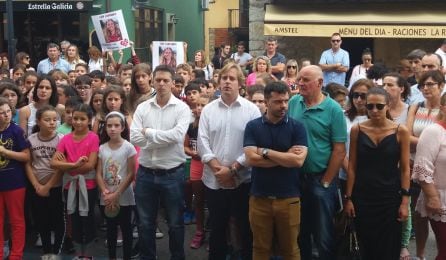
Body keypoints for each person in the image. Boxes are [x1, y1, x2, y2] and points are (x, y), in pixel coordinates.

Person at [197, 63, 261, 260]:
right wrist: (220, 172)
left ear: (240, 83)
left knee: (245, 229)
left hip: (242, 181)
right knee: (217, 229)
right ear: (218, 82)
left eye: (232, 79)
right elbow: (202, 143)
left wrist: (232, 171)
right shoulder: (208, 110)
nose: (227, 82)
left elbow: (255, 145)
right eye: (224, 78)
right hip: (214, 180)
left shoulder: (251, 110)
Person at [130, 64, 190, 259]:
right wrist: (159, 138)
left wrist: (148, 133)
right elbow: (134, 138)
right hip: (146, 173)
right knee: (145, 223)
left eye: (166, 80)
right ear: (152, 81)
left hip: (172, 174)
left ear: (173, 83)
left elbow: (177, 136)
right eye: (158, 80)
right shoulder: (142, 107)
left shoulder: (182, 108)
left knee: (175, 223)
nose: (162, 84)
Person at [288, 65, 347, 260]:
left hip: (321, 179)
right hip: (296, 179)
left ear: (320, 83)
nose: (300, 83)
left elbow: (339, 150)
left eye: (305, 80)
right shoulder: (294, 102)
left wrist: (327, 182)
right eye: (299, 79)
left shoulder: (334, 110)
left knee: (323, 235)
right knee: (300, 231)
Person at [243, 81, 308, 260]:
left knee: (290, 250)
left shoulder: (297, 127)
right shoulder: (253, 126)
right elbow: (250, 159)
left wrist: (264, 151)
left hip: (289, 198)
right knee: (260, 248)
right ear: (266, 101)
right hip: (259, 198)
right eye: (278, 102)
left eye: (286, 101)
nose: (284, 106)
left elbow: (298, 160)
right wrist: (284, 156)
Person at [344, 87, 410, 259]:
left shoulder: (400, 131)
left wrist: (405, 201)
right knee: (363, 242)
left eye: (379, 106)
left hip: (389, 197)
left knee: (389, 244)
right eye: (370, 106)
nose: (374, 110)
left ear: (387, 106)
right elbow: (352, 165)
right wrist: (348, 198)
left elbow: (404, 168)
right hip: (362, 196)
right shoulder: (357, 129)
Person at [50, 104, 99, 259]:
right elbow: (54, 163)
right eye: (75, 118)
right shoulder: (66, 139)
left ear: (89, 120)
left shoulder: (93, 137)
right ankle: (79, 253)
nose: (78, 122)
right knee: (74, 219)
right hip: (70, 185)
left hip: (88, 186)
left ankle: (88, 254)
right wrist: (75, 165)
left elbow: (90, 165)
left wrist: (67, 166)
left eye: (82, 119)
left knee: (88, 218)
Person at [406, 70, 444, 260]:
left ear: (441, 86)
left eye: (430, 84)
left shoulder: (442, 110)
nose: (426, 88)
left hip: (436, 168)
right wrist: (427, 142)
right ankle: (420, 255)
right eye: (423, 85)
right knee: (418, 215)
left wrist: (423, 142)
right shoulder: (415, 106)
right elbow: (405, 135)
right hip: (414, 165)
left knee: (438, 221)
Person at [25, 105, 65, 259]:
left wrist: (47, 186)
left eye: (55, 120)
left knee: (57, 219)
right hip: (37, 187)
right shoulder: (31, 139)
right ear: (38, 121)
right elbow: (28, 164)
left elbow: (60, 167)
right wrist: (36, 185)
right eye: (47, 120)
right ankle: (46, 251)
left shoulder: (61, 139)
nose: (52, 123)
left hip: (55, 186)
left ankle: (56, 252)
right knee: (41, 220)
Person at [96, 111, 136, 260]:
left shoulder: (128, 147)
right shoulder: (102, 148)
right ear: (105, 128)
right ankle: (111, 257)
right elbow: (99, 173)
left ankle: (127, 257)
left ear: (123, 127)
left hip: (124, 196)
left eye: (116, 125)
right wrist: (105, 191)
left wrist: (116, 194)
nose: (112, 128)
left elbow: (131, 174)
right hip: (106, 196)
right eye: (109, 126)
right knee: (111, 230)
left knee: (126, 229)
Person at [0, 97, 30, 260]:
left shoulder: (17, 131)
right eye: (1, 113)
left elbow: (26, 156)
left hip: (15, 182)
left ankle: (16, 254)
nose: (6, 115)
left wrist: (6, 152)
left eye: (8, 112)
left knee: (16, 220)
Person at [339, 79, 374, 194]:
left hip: (370, 175)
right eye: (355, 95)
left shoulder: (377, 118)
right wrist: (349, 171)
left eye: (363, 96)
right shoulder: (342, 116)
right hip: (345, 172)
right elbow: (339, 146)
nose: (359, 100)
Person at [184, 96, 209, 249]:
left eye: (203, 105)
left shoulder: (212, 125)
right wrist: (191, 153)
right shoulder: (191, 126)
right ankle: (199, 231)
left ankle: (213, 231)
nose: (199, 108)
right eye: (197, 105)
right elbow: (185, 146)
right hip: (196, 164)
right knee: (198, 200)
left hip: (210, 165)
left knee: (213, 202)